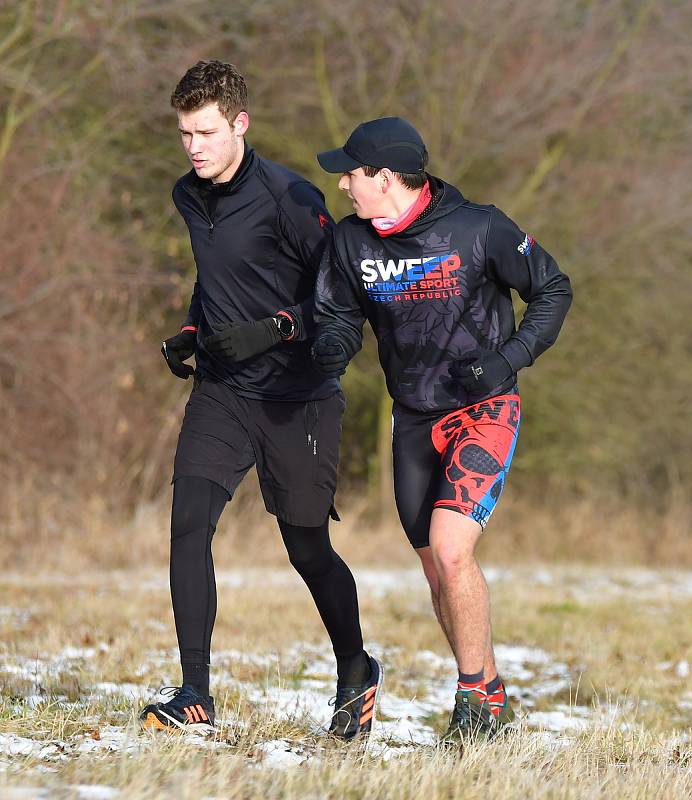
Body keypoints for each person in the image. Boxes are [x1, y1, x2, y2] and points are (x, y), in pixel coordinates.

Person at [139, 61, 381, 740]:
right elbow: (216, 276)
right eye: (185, 132)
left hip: (294, 397)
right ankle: (194, 693)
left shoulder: (291, 198)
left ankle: (354, 668)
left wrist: (278, 328)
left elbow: (341, 297)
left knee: (306, 547)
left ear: (239, 124)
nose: (194, 146)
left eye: (207, 132)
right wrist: (193, 329)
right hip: (221, 390)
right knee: (189, 522)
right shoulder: (188, 195)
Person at [312, 117, 572, 743]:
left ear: (384, 177)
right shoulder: (350, 243)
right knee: (437, 572)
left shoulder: (478, 227)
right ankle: (489, 690)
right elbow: (339, 315)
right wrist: (331, 349)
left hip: (483, 410)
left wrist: (508, 359)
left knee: (454, 550)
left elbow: (554, 289)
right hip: (412, 419)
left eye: (351, 172)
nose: (343, 184)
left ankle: (473, 705)